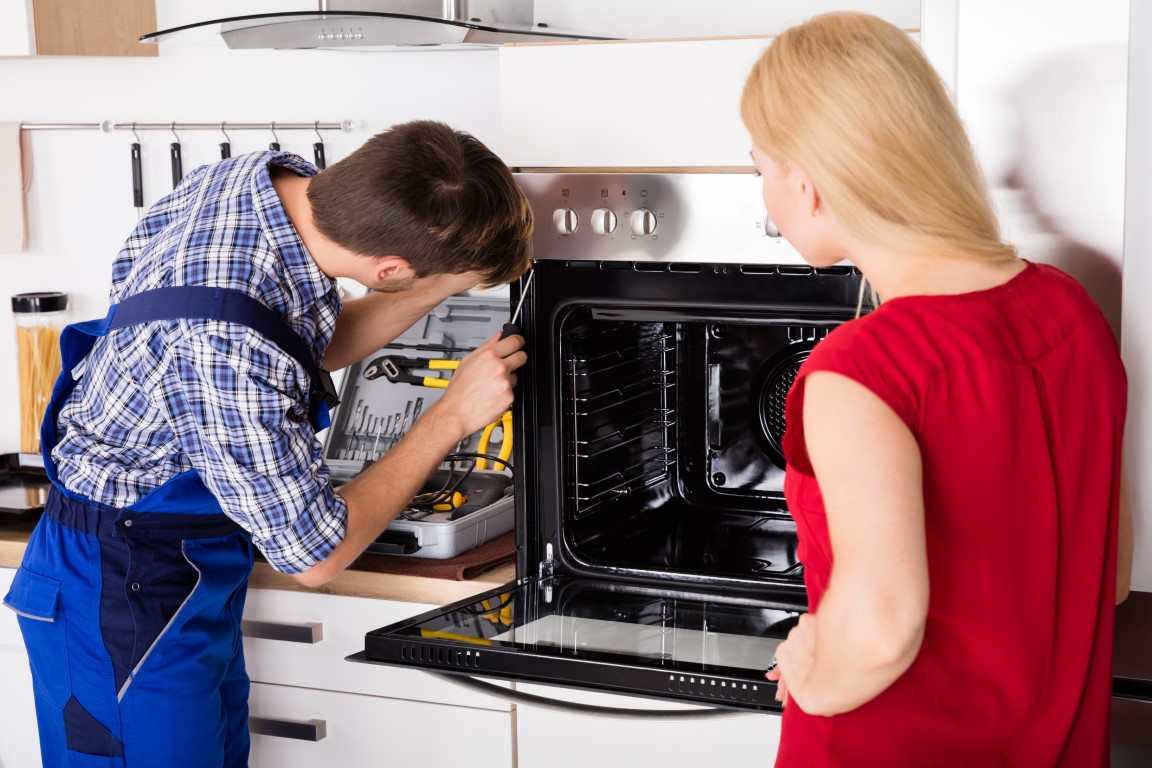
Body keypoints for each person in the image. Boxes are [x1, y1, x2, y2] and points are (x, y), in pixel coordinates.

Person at [2, 119, 532, 767]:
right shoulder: (222, 346)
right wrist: (449, 416)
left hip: (180, 567)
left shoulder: (250, 180)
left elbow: (306, 342)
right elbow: (316, 555)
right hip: (118, 590)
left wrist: (444, 280)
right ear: (390, 268)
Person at [740, 12, 1132, 767]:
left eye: (759, 169)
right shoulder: (1072, 311)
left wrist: (809, 663)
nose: (765, 198)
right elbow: (1108, 577)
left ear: (806, 182)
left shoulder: (859, 371)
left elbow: (880, 633)